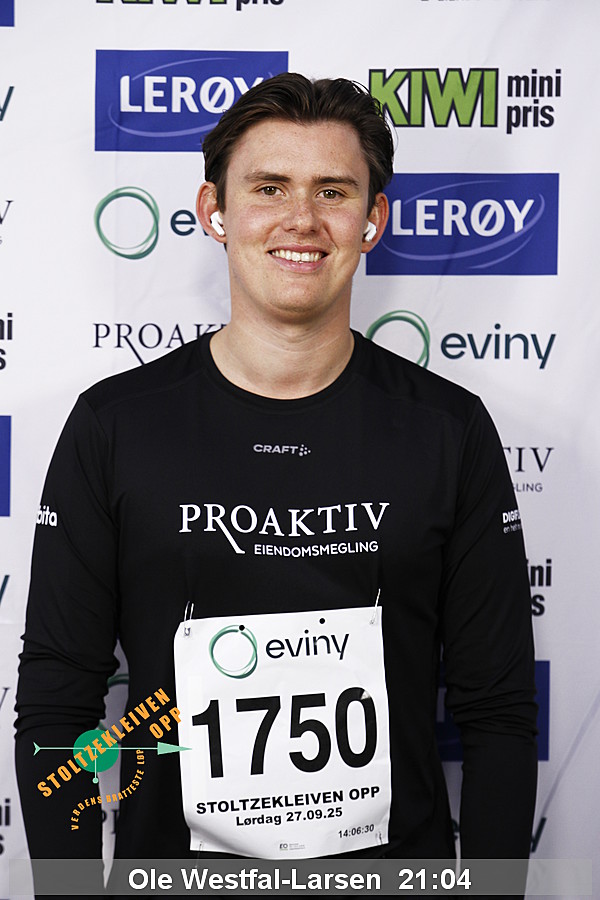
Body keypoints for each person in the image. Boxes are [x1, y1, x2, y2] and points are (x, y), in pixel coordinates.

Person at [15, 73, 537, 876]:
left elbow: (498, 714)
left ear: (373, 219)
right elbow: (58, 699)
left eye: (333, 191)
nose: (302, 219)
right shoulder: (114, 426)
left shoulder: (448, 430)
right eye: (269, 188)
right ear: (213, 211)